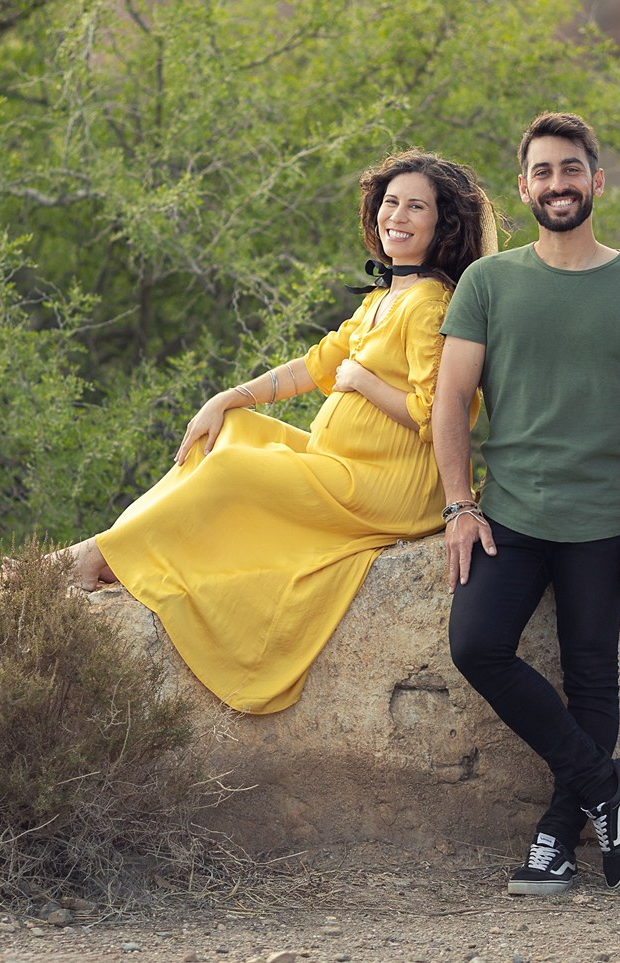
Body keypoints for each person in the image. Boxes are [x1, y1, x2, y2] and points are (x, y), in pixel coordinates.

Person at [68, 150, 498, 714]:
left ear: (443, 225)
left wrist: (363, 381)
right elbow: (312, 366)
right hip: (342, 464)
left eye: (417, 206)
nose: (398, 215)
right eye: (391, 202)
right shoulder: (385, 298)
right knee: (232, 432)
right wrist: (227, 398)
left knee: (232, 469)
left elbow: (435, 412)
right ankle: (115, 549)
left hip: (390, 486)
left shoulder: (428, 303)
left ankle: (98, 557)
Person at [433, 111, 620, 897]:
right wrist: (457, 505)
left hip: (604, 520)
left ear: (596, 180)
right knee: (476, 645)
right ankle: (609, 785)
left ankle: (553, 838)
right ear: (524, 187)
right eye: (542, 171)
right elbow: (450, 399)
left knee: (591, 679)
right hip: (507, 513)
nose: (558, 183)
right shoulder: (489, 281)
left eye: (570, 169)